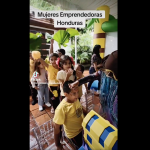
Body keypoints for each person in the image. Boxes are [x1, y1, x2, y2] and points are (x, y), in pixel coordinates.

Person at [69, 50, 118, 128]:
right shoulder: (103, 72)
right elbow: (92, 76)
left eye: (110, 73)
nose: (106, 74)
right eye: (105, 70)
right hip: (105, 106)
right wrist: (78, 82)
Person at [53, 80, 84, 150]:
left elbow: (80, 109)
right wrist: (57, 144)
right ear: (66, 94)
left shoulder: (75, 99)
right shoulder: (61, 109)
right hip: (74, 135)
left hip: (82, 128)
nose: (77, 95)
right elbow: (56, 128)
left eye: (77, 92)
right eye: (74, 93)